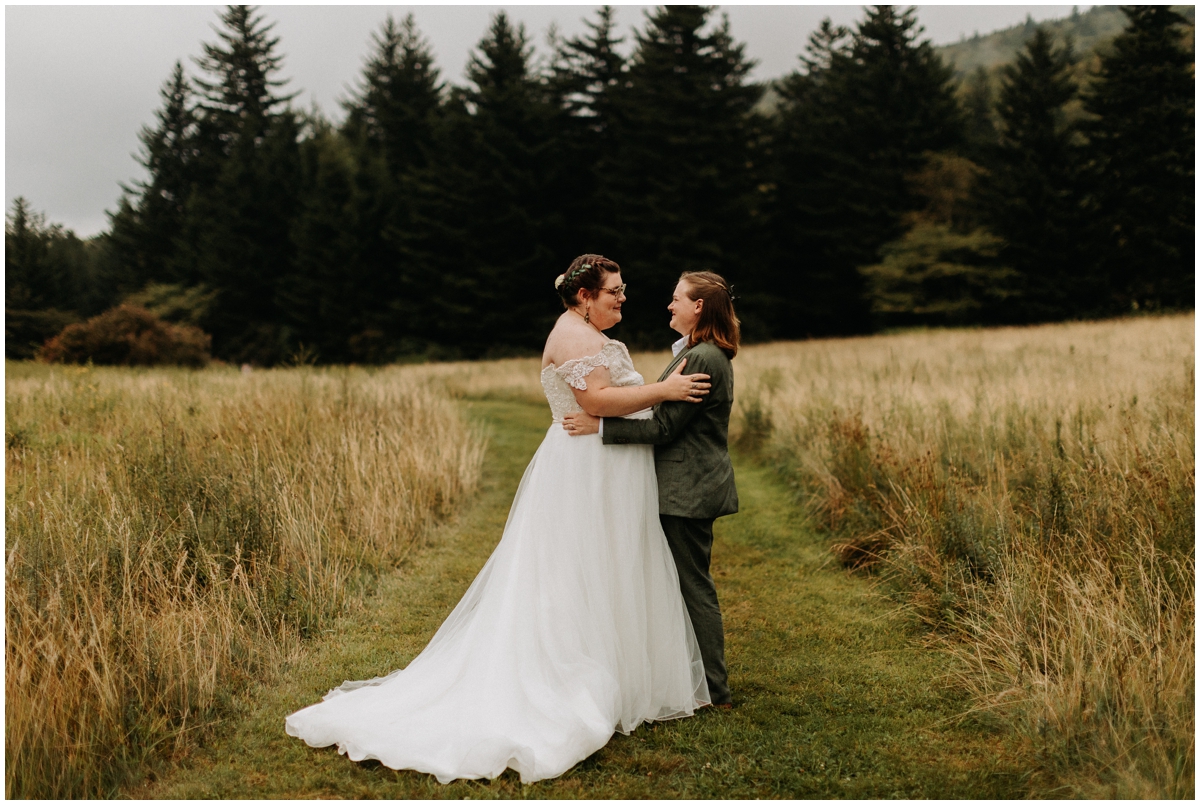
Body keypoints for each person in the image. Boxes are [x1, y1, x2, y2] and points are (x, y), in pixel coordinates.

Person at [285, 255, 717, 784]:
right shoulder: (575, 337)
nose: (622, 299)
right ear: (584, 297)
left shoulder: (585, 331)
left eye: (622, 291)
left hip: (605, 468)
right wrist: (664, 391)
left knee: (608, 567)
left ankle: (620, 674)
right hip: (587, 471)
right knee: (578, 570)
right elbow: (598, 401)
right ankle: (574, 678)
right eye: (613, 292)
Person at [563, 271, 739, 707]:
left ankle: (714, 690)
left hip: (689, 489)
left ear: (699, 307)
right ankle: (686, 677)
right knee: (678, 584)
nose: (669, 305)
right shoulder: (697, 353)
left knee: (692, 586)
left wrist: (598, 425)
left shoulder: (704, 358)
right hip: (688, 485)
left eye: (677, 298)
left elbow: (664, 427)